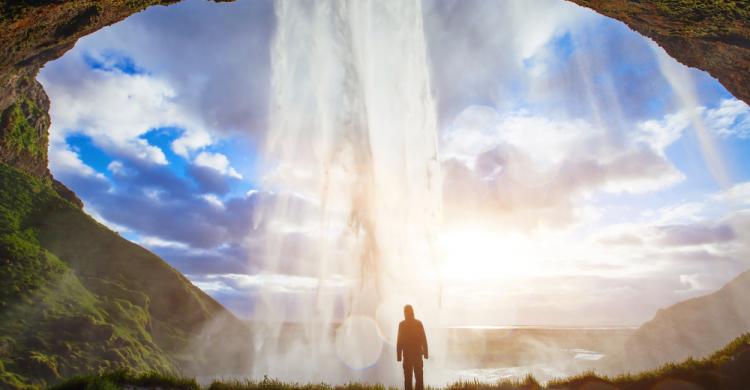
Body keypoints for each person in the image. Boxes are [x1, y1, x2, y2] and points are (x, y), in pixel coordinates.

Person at [396, 304, 428, 390]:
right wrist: (425, 354)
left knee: (410, 380)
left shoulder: (403, 324)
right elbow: (424, 339)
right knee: (416, 379)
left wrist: (399, 356)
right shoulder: (417, 323)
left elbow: (399, 341)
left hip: (410, 356)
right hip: (414, 356)